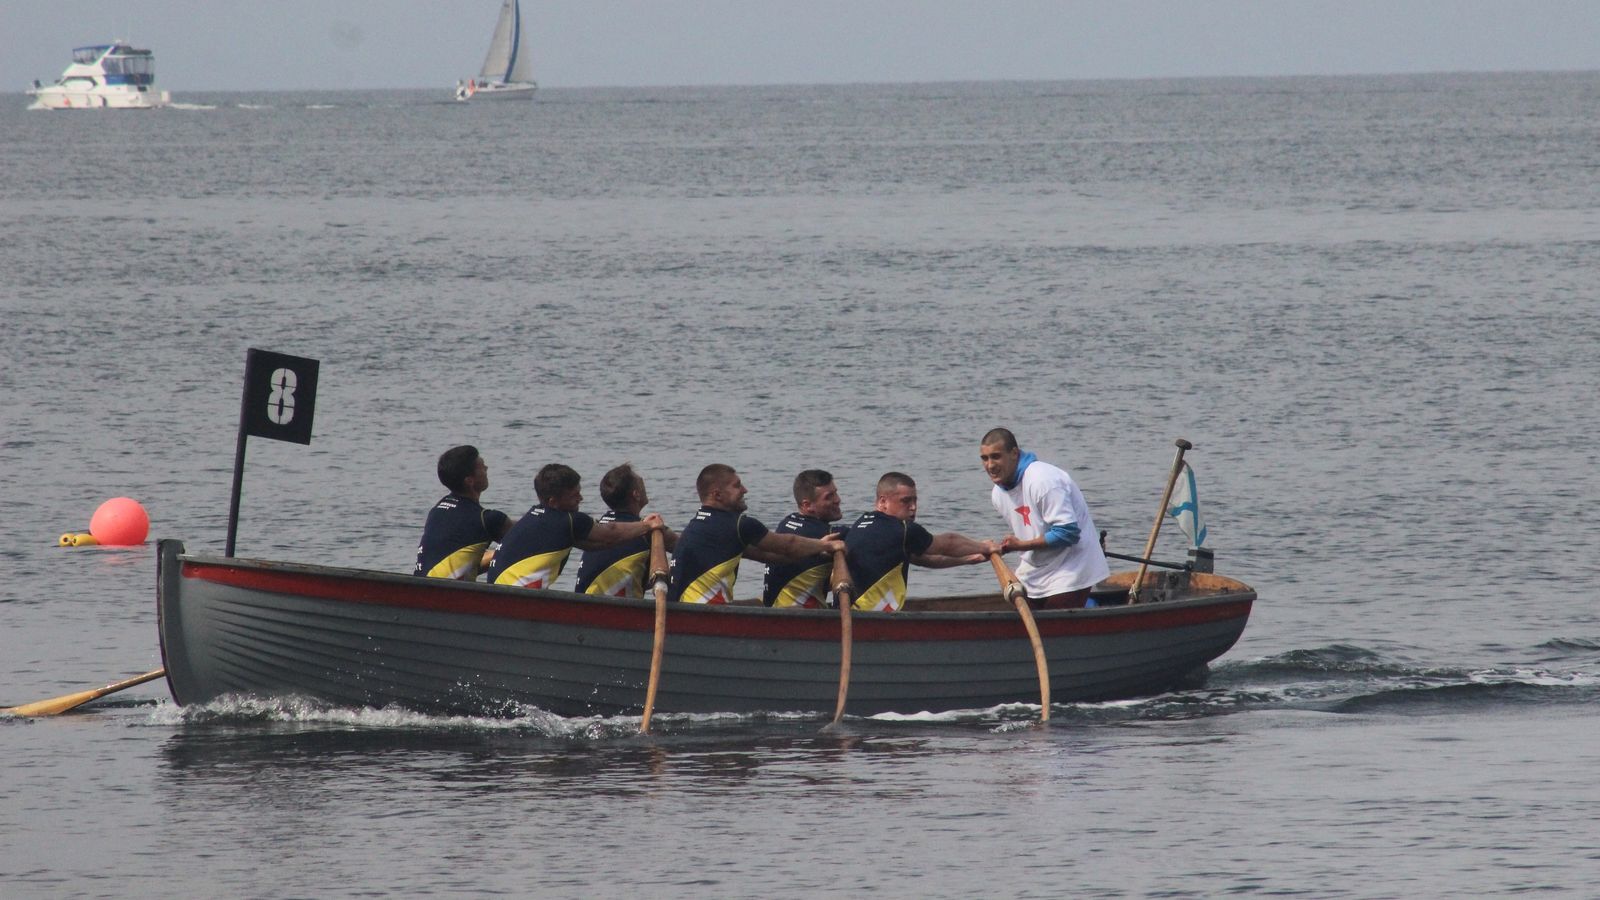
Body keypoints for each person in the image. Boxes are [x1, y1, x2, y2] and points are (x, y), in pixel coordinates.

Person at [668, 464, 844, 604]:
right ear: (717, 495)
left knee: (755, 603)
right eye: (737, 486)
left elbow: (769, 556)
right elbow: (788, 545)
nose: (744, 490)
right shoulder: (739, 525)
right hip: (704, 615)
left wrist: (815, 552)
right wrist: (826, 545)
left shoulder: (698, 524)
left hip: (681, 610)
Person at [980, 427, 1110, 609]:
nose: (990, 465)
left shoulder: (1042, 480)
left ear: (1014, 454)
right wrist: (1004, 547)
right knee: (1015, 614)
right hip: (1035, 572)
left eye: (996, 457)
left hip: (1072, 568)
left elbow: (1068, 533)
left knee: (1052, 620)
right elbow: (1031, 530)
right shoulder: (998, 494)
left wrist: (1021, 545)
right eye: (985, 458)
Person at [488, 463, 665, 589]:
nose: (581, 499)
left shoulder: (533, 517)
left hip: (497, 593)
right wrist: (647, 526)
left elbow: (599, 545)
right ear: (553, 502)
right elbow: (610, 534)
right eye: (574, 496)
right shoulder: (568, 521)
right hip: (514, 598)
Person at [843, 472, 994, 611]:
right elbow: (948, 543)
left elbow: (923, 559)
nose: (913, 507)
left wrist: (969, 559)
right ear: (883, 502)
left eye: (915, 500)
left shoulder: (861, 522)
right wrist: (985, 547)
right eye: (905, 501)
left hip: (847, 611)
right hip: (869, 616)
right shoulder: (903, 530)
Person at [413, 445, 512, 580]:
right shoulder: (486, 520)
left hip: (421, 585)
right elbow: (527, 538)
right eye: (482, 466)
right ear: (469, 481)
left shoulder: (437, 511)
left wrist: (495, 555)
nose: (486, 468)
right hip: (445, 591)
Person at [573, 463, 666, 598]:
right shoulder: (646, 533)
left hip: (582, 606)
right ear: (636, 495)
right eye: (641, 482)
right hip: (616, 608)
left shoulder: (596, 530)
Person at [761, 469, 847, 608]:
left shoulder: (785, 523)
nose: (837, 500)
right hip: (797, 616)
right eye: (829, 497)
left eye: (835, 493)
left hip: (773, 610)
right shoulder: (828, 534)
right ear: (807, 505)